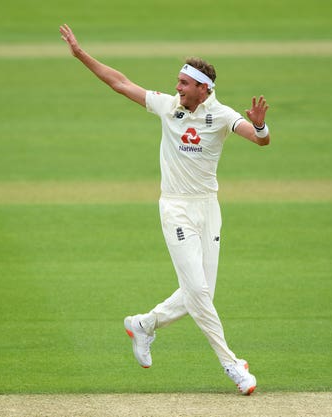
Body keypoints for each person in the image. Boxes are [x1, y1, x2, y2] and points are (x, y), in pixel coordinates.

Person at [60, 24, 270, 395]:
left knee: (199, 293)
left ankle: (143, 324)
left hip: (209, 209)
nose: (177, 88)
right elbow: (121, 83)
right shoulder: (167, 106)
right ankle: (231, 364)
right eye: (178, 82)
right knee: (199, 294)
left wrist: (261, 125)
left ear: (203, 89)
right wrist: (81, 55)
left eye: (184, 84)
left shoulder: (220, 114)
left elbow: (259, 140)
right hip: (175, 209)